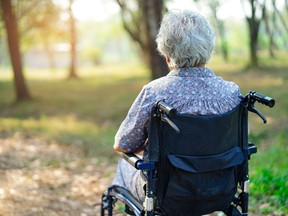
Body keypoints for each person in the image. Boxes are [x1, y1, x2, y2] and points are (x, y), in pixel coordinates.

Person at [112, 9, 242, 202]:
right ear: (208, 50)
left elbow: (123, 145)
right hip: (220, 187)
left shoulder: (155, 92)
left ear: (167, 55)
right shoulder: (231, 93)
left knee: (124, 166)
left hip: (166, 193)